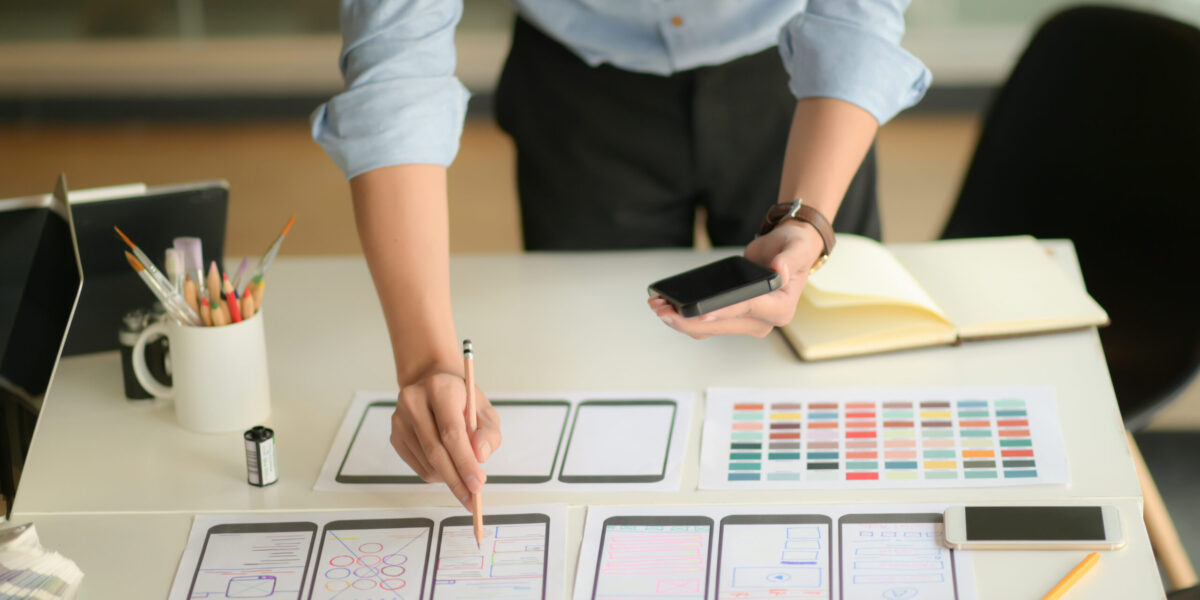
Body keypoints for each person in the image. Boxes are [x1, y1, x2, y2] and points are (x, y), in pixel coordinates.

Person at [311, 0, 930, 507]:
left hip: (798, 80)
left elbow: (859, 10)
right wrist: (427, 363)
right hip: (578, 87)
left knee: (832, 390)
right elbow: (396, 65)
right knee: (601, 403)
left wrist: (811, 217)